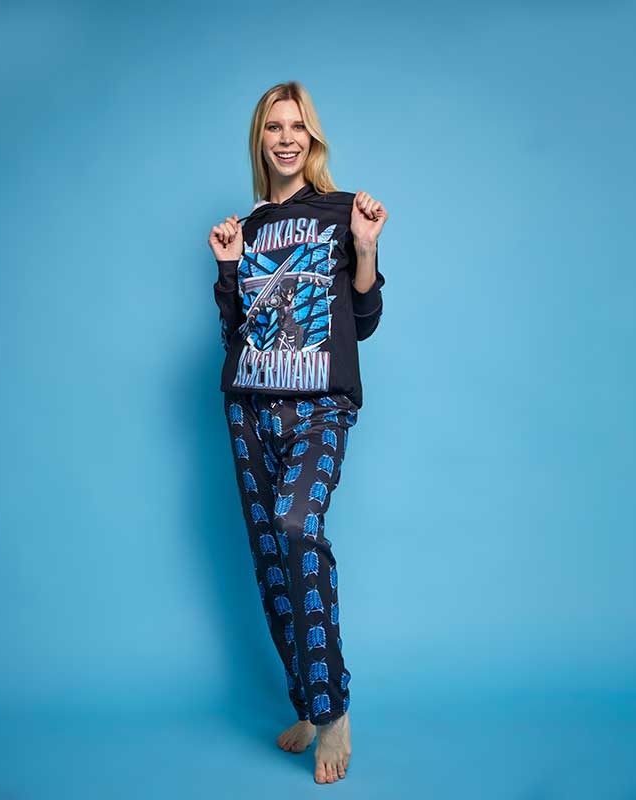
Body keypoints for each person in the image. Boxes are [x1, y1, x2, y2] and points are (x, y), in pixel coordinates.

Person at [207, 80, 388, 785]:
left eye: (297, 127)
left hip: (318, 405)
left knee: (294, 526)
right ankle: (309, 702)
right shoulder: (249, 227)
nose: (286, 138)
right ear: (260, 139)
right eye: (273, 127)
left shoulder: (343, 211)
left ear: (313, 138)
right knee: (269, 559)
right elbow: (236, 331)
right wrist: (228, 267)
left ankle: (333, 707)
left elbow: (364, 321)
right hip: (250, 407)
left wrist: (365, 249)